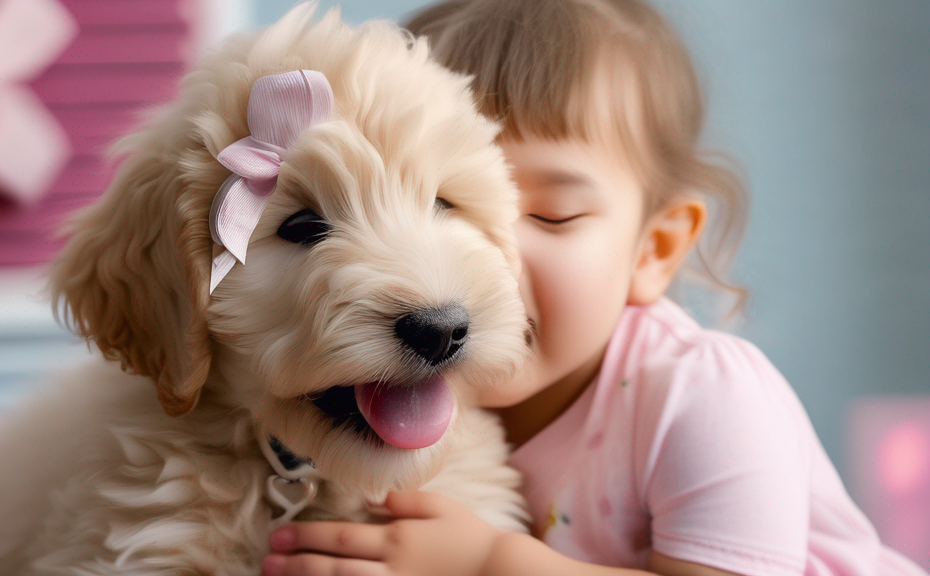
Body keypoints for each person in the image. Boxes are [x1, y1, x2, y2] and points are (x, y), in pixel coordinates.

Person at [259, 0, 929, 574]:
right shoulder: (407, 397)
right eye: (444, 206)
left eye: (552, 215)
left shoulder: (701, 396)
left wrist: (490, 564)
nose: (486, 259)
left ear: (653, 249)